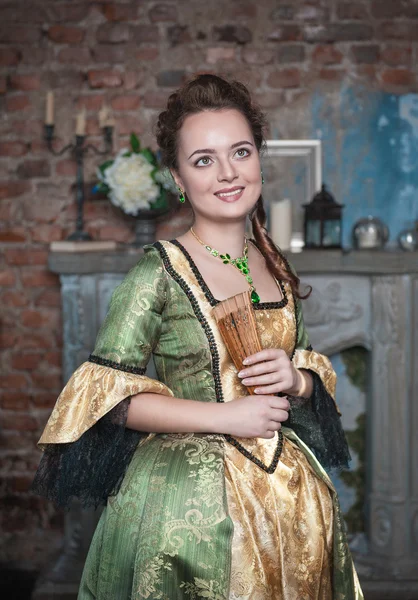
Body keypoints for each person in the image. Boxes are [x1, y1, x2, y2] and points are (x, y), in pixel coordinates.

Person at [33, 74, 363, 599]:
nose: (228, 173)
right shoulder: (158, 271)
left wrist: (297, 379)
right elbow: (105, 398)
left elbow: (303, 366)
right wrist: (226, 417)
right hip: (190, 511)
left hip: (289, 500)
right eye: (204, 160)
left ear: (259, 159)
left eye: (241, 151)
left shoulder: (274, 263)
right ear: (178, 178)